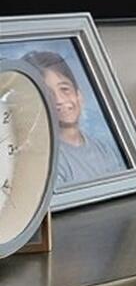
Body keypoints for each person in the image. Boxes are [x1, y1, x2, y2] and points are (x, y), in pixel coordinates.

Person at [21, 49, 126, 187]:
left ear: (79, 95)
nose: (59, 100)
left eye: (65, 89)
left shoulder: (103, 149)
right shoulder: (45, 161)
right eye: (47, 94)